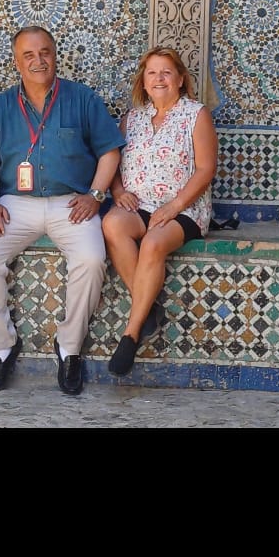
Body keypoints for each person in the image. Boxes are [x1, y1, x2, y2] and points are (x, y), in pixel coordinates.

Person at [0, 25, 125, 396]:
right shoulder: (3, 106)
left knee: (90, 259)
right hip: (14, 204)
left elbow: (110, 151)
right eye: (29, 55)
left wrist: (96, 195)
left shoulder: (83, 99)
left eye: (45, 53)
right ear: (16, 62)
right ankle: (1, 348)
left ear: (56, 55)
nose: (38, 61)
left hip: (72, 204)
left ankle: (69, 348)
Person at [102, 45, 218, 377]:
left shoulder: (195, 114)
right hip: (140, 204)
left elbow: (206, 169)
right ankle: (149, 307)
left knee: (153, 243)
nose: (159, 78)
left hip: (184, 207)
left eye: (166, 72)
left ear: (180, 79)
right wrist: (119, 191)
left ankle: (131, 333)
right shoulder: (132, 119)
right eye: (152, 72)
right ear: (144, 80)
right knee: (112, 225)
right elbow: (115, 164)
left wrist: (175, 206)